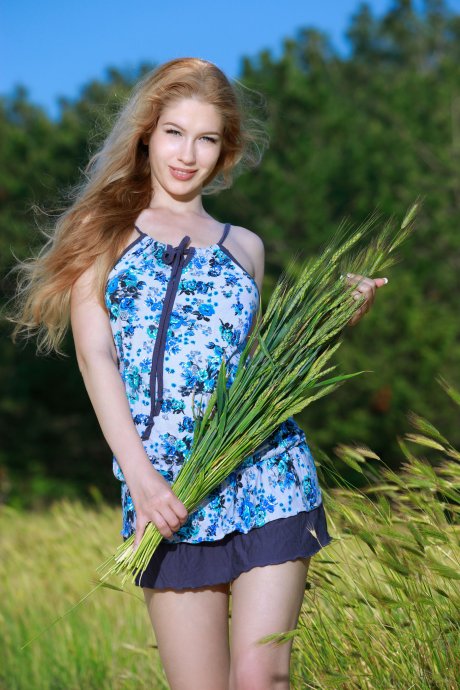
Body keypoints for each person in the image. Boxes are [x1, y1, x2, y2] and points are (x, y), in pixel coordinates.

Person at [10, 57, 387, 690]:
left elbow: (258, 366)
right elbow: (96, 358)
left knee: (262, 677)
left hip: (269, 473)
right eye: (174, 133)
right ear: (147, 135)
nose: (188, 154)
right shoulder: (103, 233)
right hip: (169, 491)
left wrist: (334, 315)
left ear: (226, 149)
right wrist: (142, 480)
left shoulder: (246, 246)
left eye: (206, 138)